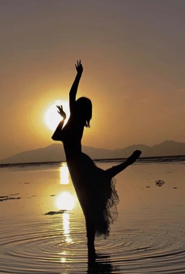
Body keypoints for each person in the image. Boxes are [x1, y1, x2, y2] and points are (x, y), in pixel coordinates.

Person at [52, 60, 141, 259]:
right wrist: (63, 118)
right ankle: (90, 249)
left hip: (77, 165)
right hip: (77, 165)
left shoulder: (75, 122)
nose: (74, 104)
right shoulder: (75, 122)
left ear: (80, 109)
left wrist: (79, 75)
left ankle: (91, 251)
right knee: (89, 205)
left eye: (78, 104)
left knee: (90, 202)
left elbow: (69, 99)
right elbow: (56, 136)